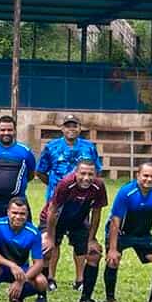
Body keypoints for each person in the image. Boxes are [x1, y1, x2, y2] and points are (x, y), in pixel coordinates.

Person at [36, 114, 102, 289]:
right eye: (68, 126)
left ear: (80, 128)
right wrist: (56, 187)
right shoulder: (51, 147)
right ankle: (50, 278)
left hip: (81, 202)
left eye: (75, 126)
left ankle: (80, 279)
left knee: (80, 240)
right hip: (56, 202)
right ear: (62, 129)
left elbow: (97, 171)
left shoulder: (89, 147)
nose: (71, 129)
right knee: (52, 240)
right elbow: (41, 171)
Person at [39, 158, 107, 302]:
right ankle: (41, 294)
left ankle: (86, 297)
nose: (86, 178)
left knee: (94, 253)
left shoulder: (98, 186)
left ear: (95, 174)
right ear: (76, 173)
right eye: (83, 173)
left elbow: (96, 214)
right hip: (55, 219)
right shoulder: (65, 184)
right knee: (45, 249)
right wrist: (49, 237)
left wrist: (91, 239)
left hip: (78, 220)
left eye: (90, 174)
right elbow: (52, 210)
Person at [104, 162, 152, 302]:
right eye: (145, 175)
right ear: (137, 176)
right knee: (113, 260)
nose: (149, 179)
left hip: (142, 235)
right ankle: (110, 300)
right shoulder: (126, 192)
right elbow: (115, 222)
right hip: (121, 234)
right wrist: (113, 249)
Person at [0, 197, 48, 302]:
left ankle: (17, 297)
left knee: (41, 282)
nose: (18, 217)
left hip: (21, 270)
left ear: (27, 214)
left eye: (22, 214)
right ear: (8, 212)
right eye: (14, 213)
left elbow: (39, 263)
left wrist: (21, 281)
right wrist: (12, 265)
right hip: (1, 267)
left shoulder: (33, 232)